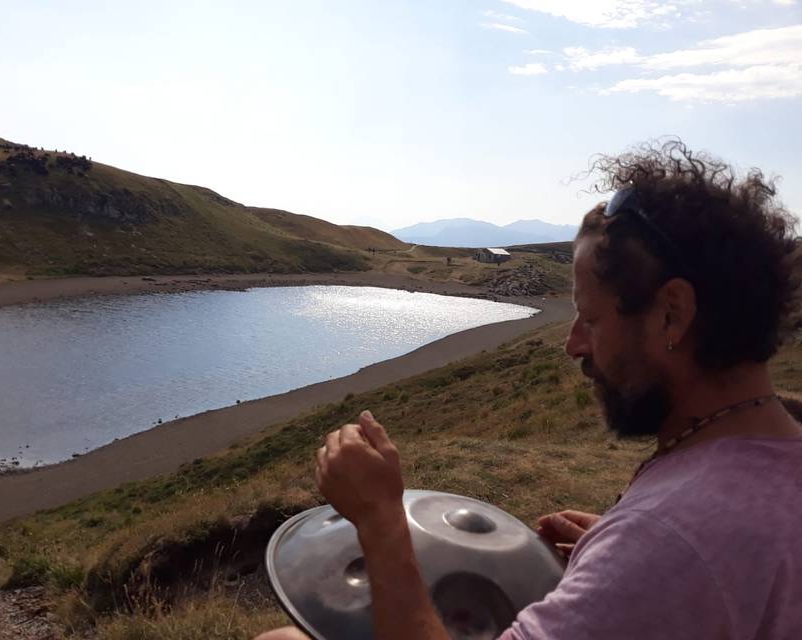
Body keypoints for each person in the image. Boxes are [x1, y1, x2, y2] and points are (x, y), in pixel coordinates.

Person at [256, 141, 802, 640]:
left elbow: (683, 554)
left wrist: (380, 521)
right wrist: (614, 551)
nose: (572, 345)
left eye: (589, 318)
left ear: (672, 314)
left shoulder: (668, 542)